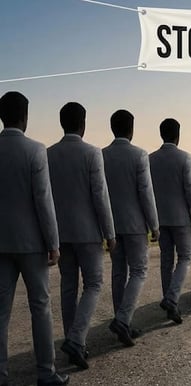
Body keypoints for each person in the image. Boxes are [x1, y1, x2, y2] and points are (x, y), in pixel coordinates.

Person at [0, 91, 69, 386]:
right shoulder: (35, 150)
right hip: (32, 245)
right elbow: (43, 200)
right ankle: (45, 372)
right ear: (25, 116)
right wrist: (53, 244)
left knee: (1, 312)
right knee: (40, 306)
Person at [48, 102, 116, 370]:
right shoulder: (92, 154)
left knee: (68, 287)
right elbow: (100, 196)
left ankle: (72, 341)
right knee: (94, 284)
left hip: (61, 232)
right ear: (83, 123)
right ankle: (76, 339)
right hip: (88, 232)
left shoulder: (48, 153)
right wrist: (109, 233)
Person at [102, 109, 159, 347]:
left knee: (118, 272)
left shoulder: (101, 155)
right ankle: (123, 319)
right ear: (131, 129)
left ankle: (121, 320)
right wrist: (154, 224)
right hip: (135, 223)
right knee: (139, 271)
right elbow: (145, 193)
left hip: (112, 223)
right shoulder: (139, 155)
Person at [149, 118, 191, 325]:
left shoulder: (150, 158)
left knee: (166, 261)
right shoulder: (184, 158)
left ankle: (169, 301)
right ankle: (172, 298)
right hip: (181, 217)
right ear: (178, 135)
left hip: (160, 218)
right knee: (186, 257)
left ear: (161, 134)